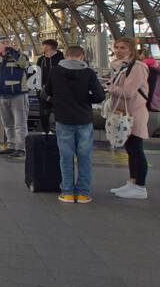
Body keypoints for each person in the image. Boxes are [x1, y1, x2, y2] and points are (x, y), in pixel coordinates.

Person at [49, 44, 104, 204]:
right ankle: (83, 193)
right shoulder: (88, 73)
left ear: (66, 56)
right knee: (84, 156)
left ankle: (66, 192)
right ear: (82, 56)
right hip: (84, 119)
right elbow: (100, 96)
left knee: (65, 156)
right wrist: (86, 98)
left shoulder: (56, 71)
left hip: (63, 118)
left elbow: (48, 91)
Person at [106, 36, 151, 200]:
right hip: (126, 113)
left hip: (135, 113)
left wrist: (110, 88)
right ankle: (132, 182)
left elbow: (128, 92)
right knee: (131, 149)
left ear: (131, 50)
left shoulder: (137, 67)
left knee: (136, 149)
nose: (118, 51)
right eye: (116, 47)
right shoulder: (123, 67)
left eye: (122, 48)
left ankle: (140, 186)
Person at [0, 38, 31, 156]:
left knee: (19, 123)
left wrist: (13, 52)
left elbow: (24, 64)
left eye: (8, 42)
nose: (6, 45)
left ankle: (21, 148)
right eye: (3, 43)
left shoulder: (20, 56)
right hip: (1, 95)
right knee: (7, 122)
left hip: (18, 94)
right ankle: (11, 145)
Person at [36, 39, 64, 133]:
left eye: (42, 45)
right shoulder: (41, 60)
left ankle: (59, 133)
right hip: (43, 92)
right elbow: (37, 74)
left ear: (48, 47)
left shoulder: (61, 60)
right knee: (43, 114)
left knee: (59, 114)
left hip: (58, 92)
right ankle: (46, 133)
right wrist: (39, 89)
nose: (41, 47)